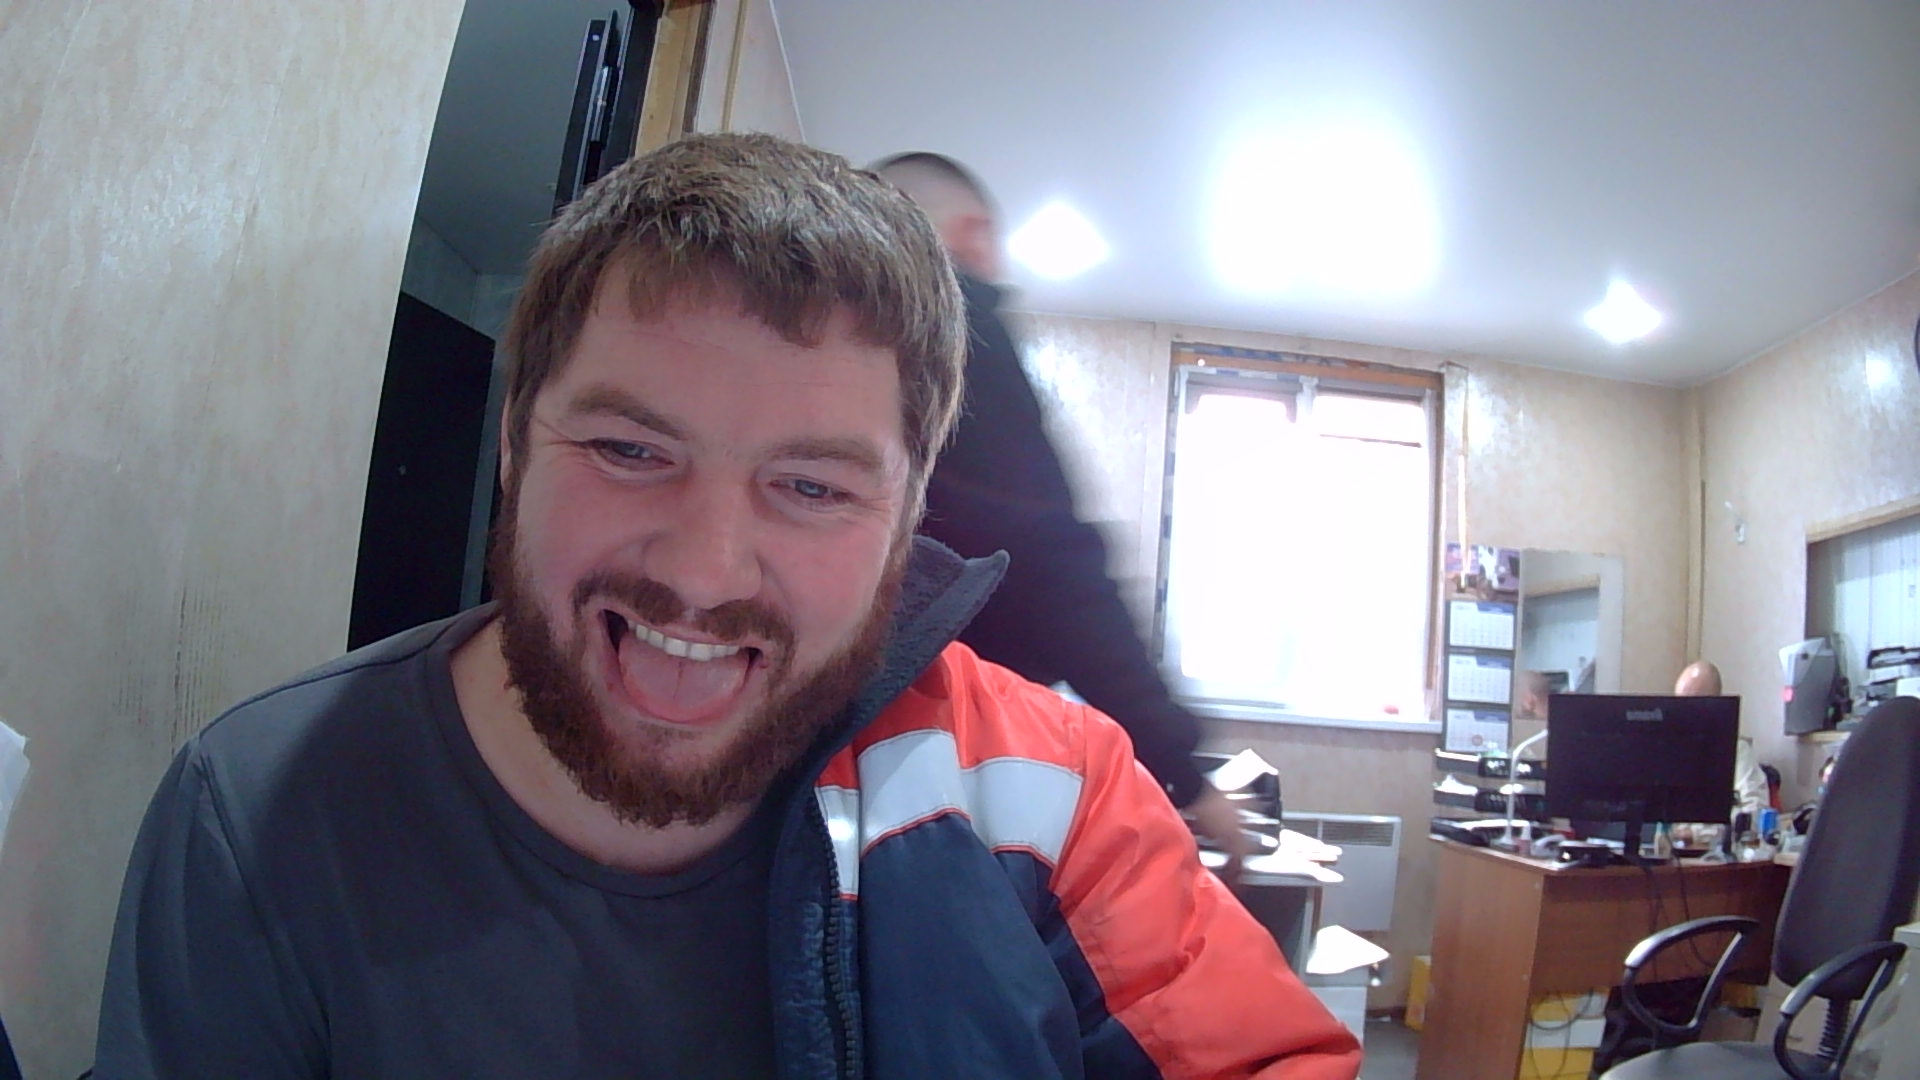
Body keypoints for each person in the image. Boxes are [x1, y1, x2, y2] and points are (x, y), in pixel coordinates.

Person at [94, 134, 1359, 1078]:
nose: (704, 574)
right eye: (630, 450)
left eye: (811, 487)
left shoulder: (1053, 793)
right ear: (516, 446)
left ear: (909, 517)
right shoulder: (255, 809)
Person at [870, 151, 1252, 873]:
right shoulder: (961, 325)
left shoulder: (830, 334)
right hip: (927, 744)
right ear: (972, 235)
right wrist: (1184, 772)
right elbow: (1055, 565)